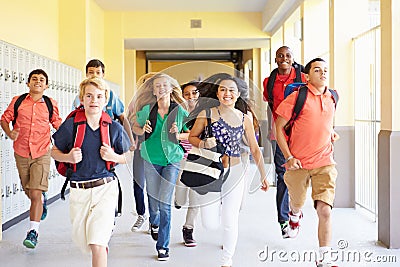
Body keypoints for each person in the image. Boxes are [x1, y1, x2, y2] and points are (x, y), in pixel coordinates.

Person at [188, 73, 269, 267]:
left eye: (232, 90)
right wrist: (202, 143)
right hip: (210, 172)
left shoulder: (244, 118)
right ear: (217, 93)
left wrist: (263, 175)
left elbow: (255, 149)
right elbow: (192, 138)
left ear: (238, 94)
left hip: (235, 171)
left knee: (230, 219)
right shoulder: (206, 114)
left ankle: (227, 260)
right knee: (210, 223)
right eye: (223, 89)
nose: (227, 93)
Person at [51, 77, 131, 267]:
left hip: (106, 189)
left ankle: (101, 247)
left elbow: (128, 157)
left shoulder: (114, 128)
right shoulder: (71, 127)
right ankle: (101, 248)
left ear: (105, 100)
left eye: (98, 96)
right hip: (79, 191)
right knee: (85, 241)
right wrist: (68, 157)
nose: (94, 100)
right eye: (89, 96)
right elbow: (53, 151)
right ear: (82, 99)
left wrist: (114, 156)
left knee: (97, 242)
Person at [275, 58, 340, 267]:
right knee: (297, 202)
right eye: (317, 70)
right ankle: (294, 215)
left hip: (325, 162)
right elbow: (278, 128)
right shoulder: (297, 97)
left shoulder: (333, 97)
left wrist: (331, 133)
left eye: (326, 70)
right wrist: (289, 157)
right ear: (307, 75)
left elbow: (325, 121)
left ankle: (325, 255)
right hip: (298, 164)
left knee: (325, 210)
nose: (323, 73)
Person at [0, 69, 62, 249]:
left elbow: (57, 124)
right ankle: (41, 200)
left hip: (42, 152)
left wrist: (70, 138)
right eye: (34, 79)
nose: (38, 82)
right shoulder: (18, 101)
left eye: (42, 79)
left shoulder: (50, 104)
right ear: (27, 83)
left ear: (47, 85)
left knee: (35, 192)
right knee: (29, 190)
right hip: (21, 152)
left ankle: (33, 231)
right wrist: (10, 132)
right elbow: (4, 119)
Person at [131, 72, 188, 261]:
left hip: (172, 159)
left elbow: (192, 133)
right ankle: (153, 221)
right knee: (153, 201)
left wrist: (178, 134)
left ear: (171, 89)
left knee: (165, 203)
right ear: (154, 91)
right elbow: (135, 127)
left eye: (165, 85)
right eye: (157, 86)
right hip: (151, 157)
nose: (161, 88)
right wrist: (142, 129)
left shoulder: (180, 111)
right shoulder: (148, 110)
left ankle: (163, 246)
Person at [262, 46, 307, 237]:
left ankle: (295, 210)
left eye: (288, 55)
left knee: (301, 175)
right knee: (283, 175)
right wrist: (270, 131)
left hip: (300, 135)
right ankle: (283, 220)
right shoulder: (268, 82)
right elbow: (270, 106)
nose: (284, 59)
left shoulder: (303, 78)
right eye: (280, 56)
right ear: (275, 59)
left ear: (293, 58)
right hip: (279, 135)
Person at [72, 59, 135, 150]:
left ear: (103, 75)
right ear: (86, 74)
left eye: (98, 72)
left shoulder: (111, 96)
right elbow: (74, 119)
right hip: (86, 138)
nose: (94, 75)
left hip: (108, 139)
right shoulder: (80, 97)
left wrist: (131, 141)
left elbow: (123, 118)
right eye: (91, 72)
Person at [127, 72, 156, 232]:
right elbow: (129, 121)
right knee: (138, 183)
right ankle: (141, 214)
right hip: (140, 147)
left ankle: (154, 219)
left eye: (151, 83)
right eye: (146, 83)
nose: (148, 86)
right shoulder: (136, 101)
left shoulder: (161, 100)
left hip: (155, 149)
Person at [174, 80, 200, 247]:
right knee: (181, 197)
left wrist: (184, 135)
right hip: (181, 158)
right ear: (182, 97)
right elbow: (173, 135)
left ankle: (188, 229)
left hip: (199, 159)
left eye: (194, 93)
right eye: (187, 94)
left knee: (195, 198)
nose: (191, 97)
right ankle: (178, 199)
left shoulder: (205, 114)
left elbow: (203, 136)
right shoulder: (178, 113)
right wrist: (190, 135)